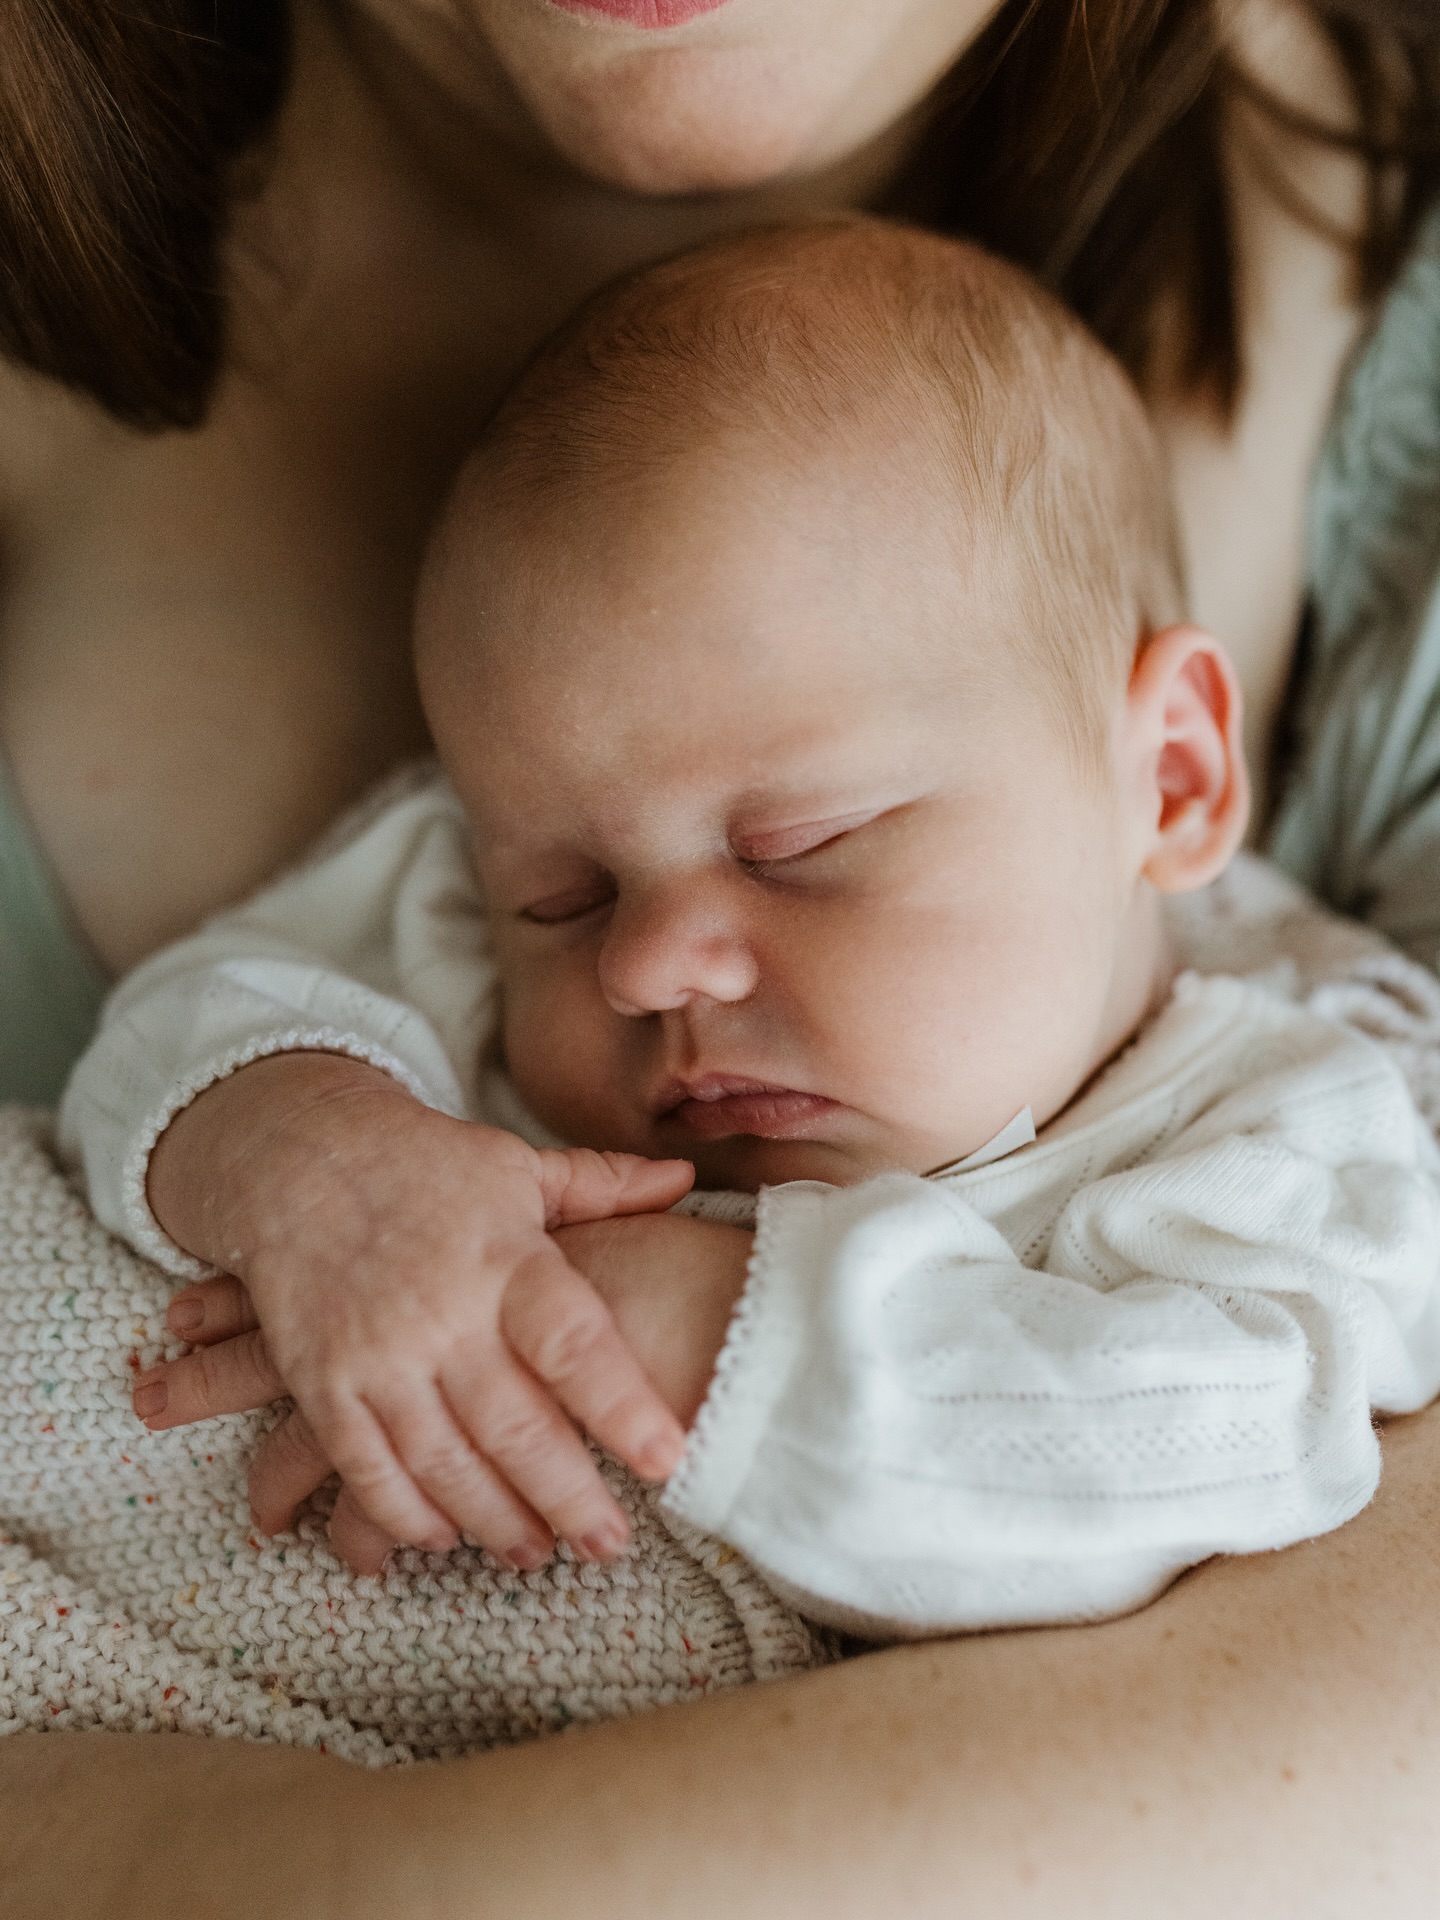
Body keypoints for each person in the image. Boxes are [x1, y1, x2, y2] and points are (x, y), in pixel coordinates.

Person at [4, 0, 1440, 1912]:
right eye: (563, 904)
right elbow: (232, 1004)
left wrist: (715, 1335)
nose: (657, 960)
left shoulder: (1300, 1133)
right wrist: (310, 1151)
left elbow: (1206, 1454)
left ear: (1168, 777)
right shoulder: (520, 858)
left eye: (806, 850)